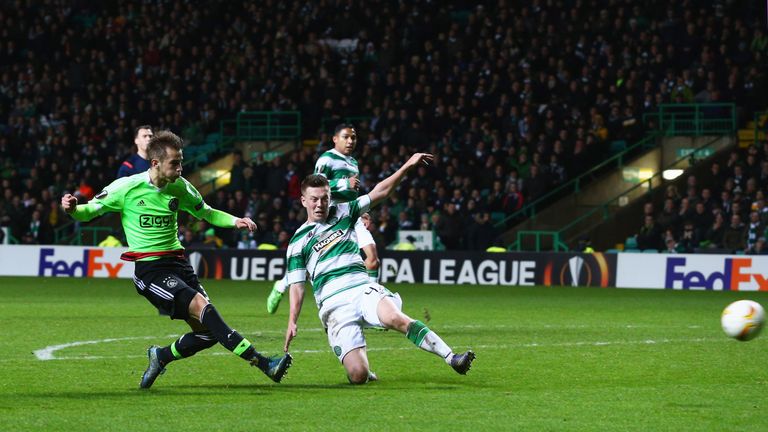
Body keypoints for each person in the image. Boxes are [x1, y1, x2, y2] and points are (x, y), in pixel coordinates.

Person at [61, 130, 292, 389]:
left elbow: (206, 212)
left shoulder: (180, 187)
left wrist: (234, 221)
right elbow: (89, 211)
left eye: (181, 161)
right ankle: (263, 363)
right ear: (155, 163)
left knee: (207, 333)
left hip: (179, 265)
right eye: (175, 163)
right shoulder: (127, 187)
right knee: (204, 309)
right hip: (151, 270)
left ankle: (160, 356)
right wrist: (72, 209)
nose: (180, 168)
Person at [282, 152, 475, 384]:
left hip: (361, 289)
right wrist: (293, 320)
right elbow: (297, 286)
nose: (320, 204)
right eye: (314, 199)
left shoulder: (345, 211)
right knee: (358, 375)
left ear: (330, 196)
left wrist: (407, 166)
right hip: (333, 307)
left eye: (324, 198)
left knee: (396, 317)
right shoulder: (297, 241)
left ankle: (451, 357)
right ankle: (363, 369)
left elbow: (379, 192)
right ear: (303, 200)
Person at [266, 124, 380, 313]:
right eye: (346, 137)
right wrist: (344, 182)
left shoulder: (353, 162)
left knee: (373, 259)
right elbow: (315, 184)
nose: (350, 141)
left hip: (351, 215)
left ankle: (371, 306)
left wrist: (362, 211)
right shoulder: (327, 158)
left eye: (353, 138)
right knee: (316, 264)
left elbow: (350, 193)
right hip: (331, 218)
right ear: (335, 139)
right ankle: (282, 285)